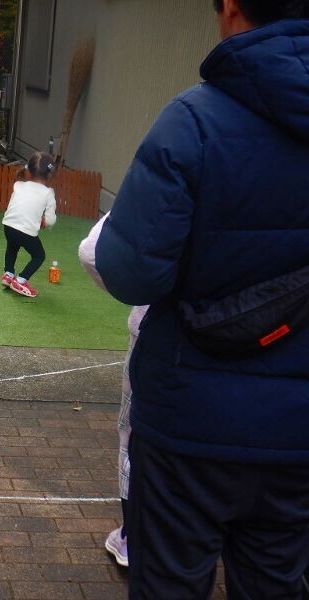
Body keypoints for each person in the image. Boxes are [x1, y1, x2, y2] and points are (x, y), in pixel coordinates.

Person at [95, 1, 309, 598]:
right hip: (299, 432)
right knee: (275, 582)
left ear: (233, 8)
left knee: (168, 583)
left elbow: (129, 271)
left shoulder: (193, 120)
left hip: (189, 418)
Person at [78, 213, 149, 569]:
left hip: (163, 334)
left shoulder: (180, 162)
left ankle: (134, 539)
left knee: (136, 436)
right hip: (282, 343)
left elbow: (94, 251)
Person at [0, 151, 57, 298]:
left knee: (12, 247)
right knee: (39, 256)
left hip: (8, 226)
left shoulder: (18, 185)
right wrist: (44, 222)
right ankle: (21, 280)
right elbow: (50, 220)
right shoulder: (48, 193)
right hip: (25, 231)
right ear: (49, 175)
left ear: (29, 170)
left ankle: (8, 274)